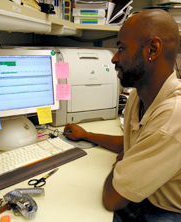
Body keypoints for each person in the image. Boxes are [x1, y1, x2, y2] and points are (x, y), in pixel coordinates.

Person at [63, 9, 181, 221]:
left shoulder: (173, 118)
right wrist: (86, 134)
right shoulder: (140, 95)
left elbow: (113, 199)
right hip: (144, 193)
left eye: (121, 48)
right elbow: (135, 144)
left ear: (152, 49)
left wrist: (122, 162)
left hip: (166, 210)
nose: (114, 59)